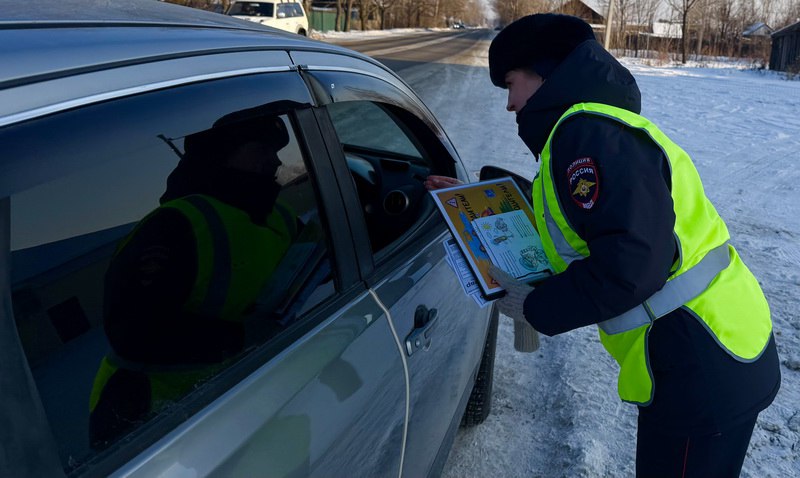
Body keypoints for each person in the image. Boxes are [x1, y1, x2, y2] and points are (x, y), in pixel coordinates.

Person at [429, 13, 781, 477]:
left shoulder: (586, 134)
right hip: (718, 343)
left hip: (699, 360)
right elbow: (584, 222)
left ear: (544, 73)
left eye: (511, 84)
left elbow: (631, 263)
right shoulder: (595, 130)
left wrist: (535, 307)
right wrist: (478, 204)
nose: (510, 104)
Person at [88, 112, 299, 448]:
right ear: (224, 155)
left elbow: (321, 253)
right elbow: (134, 331)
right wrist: (241, 337)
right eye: (261, 149)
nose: (275, 161)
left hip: (246, 398)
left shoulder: (277, 215)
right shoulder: (173, 226)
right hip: (155, 425)